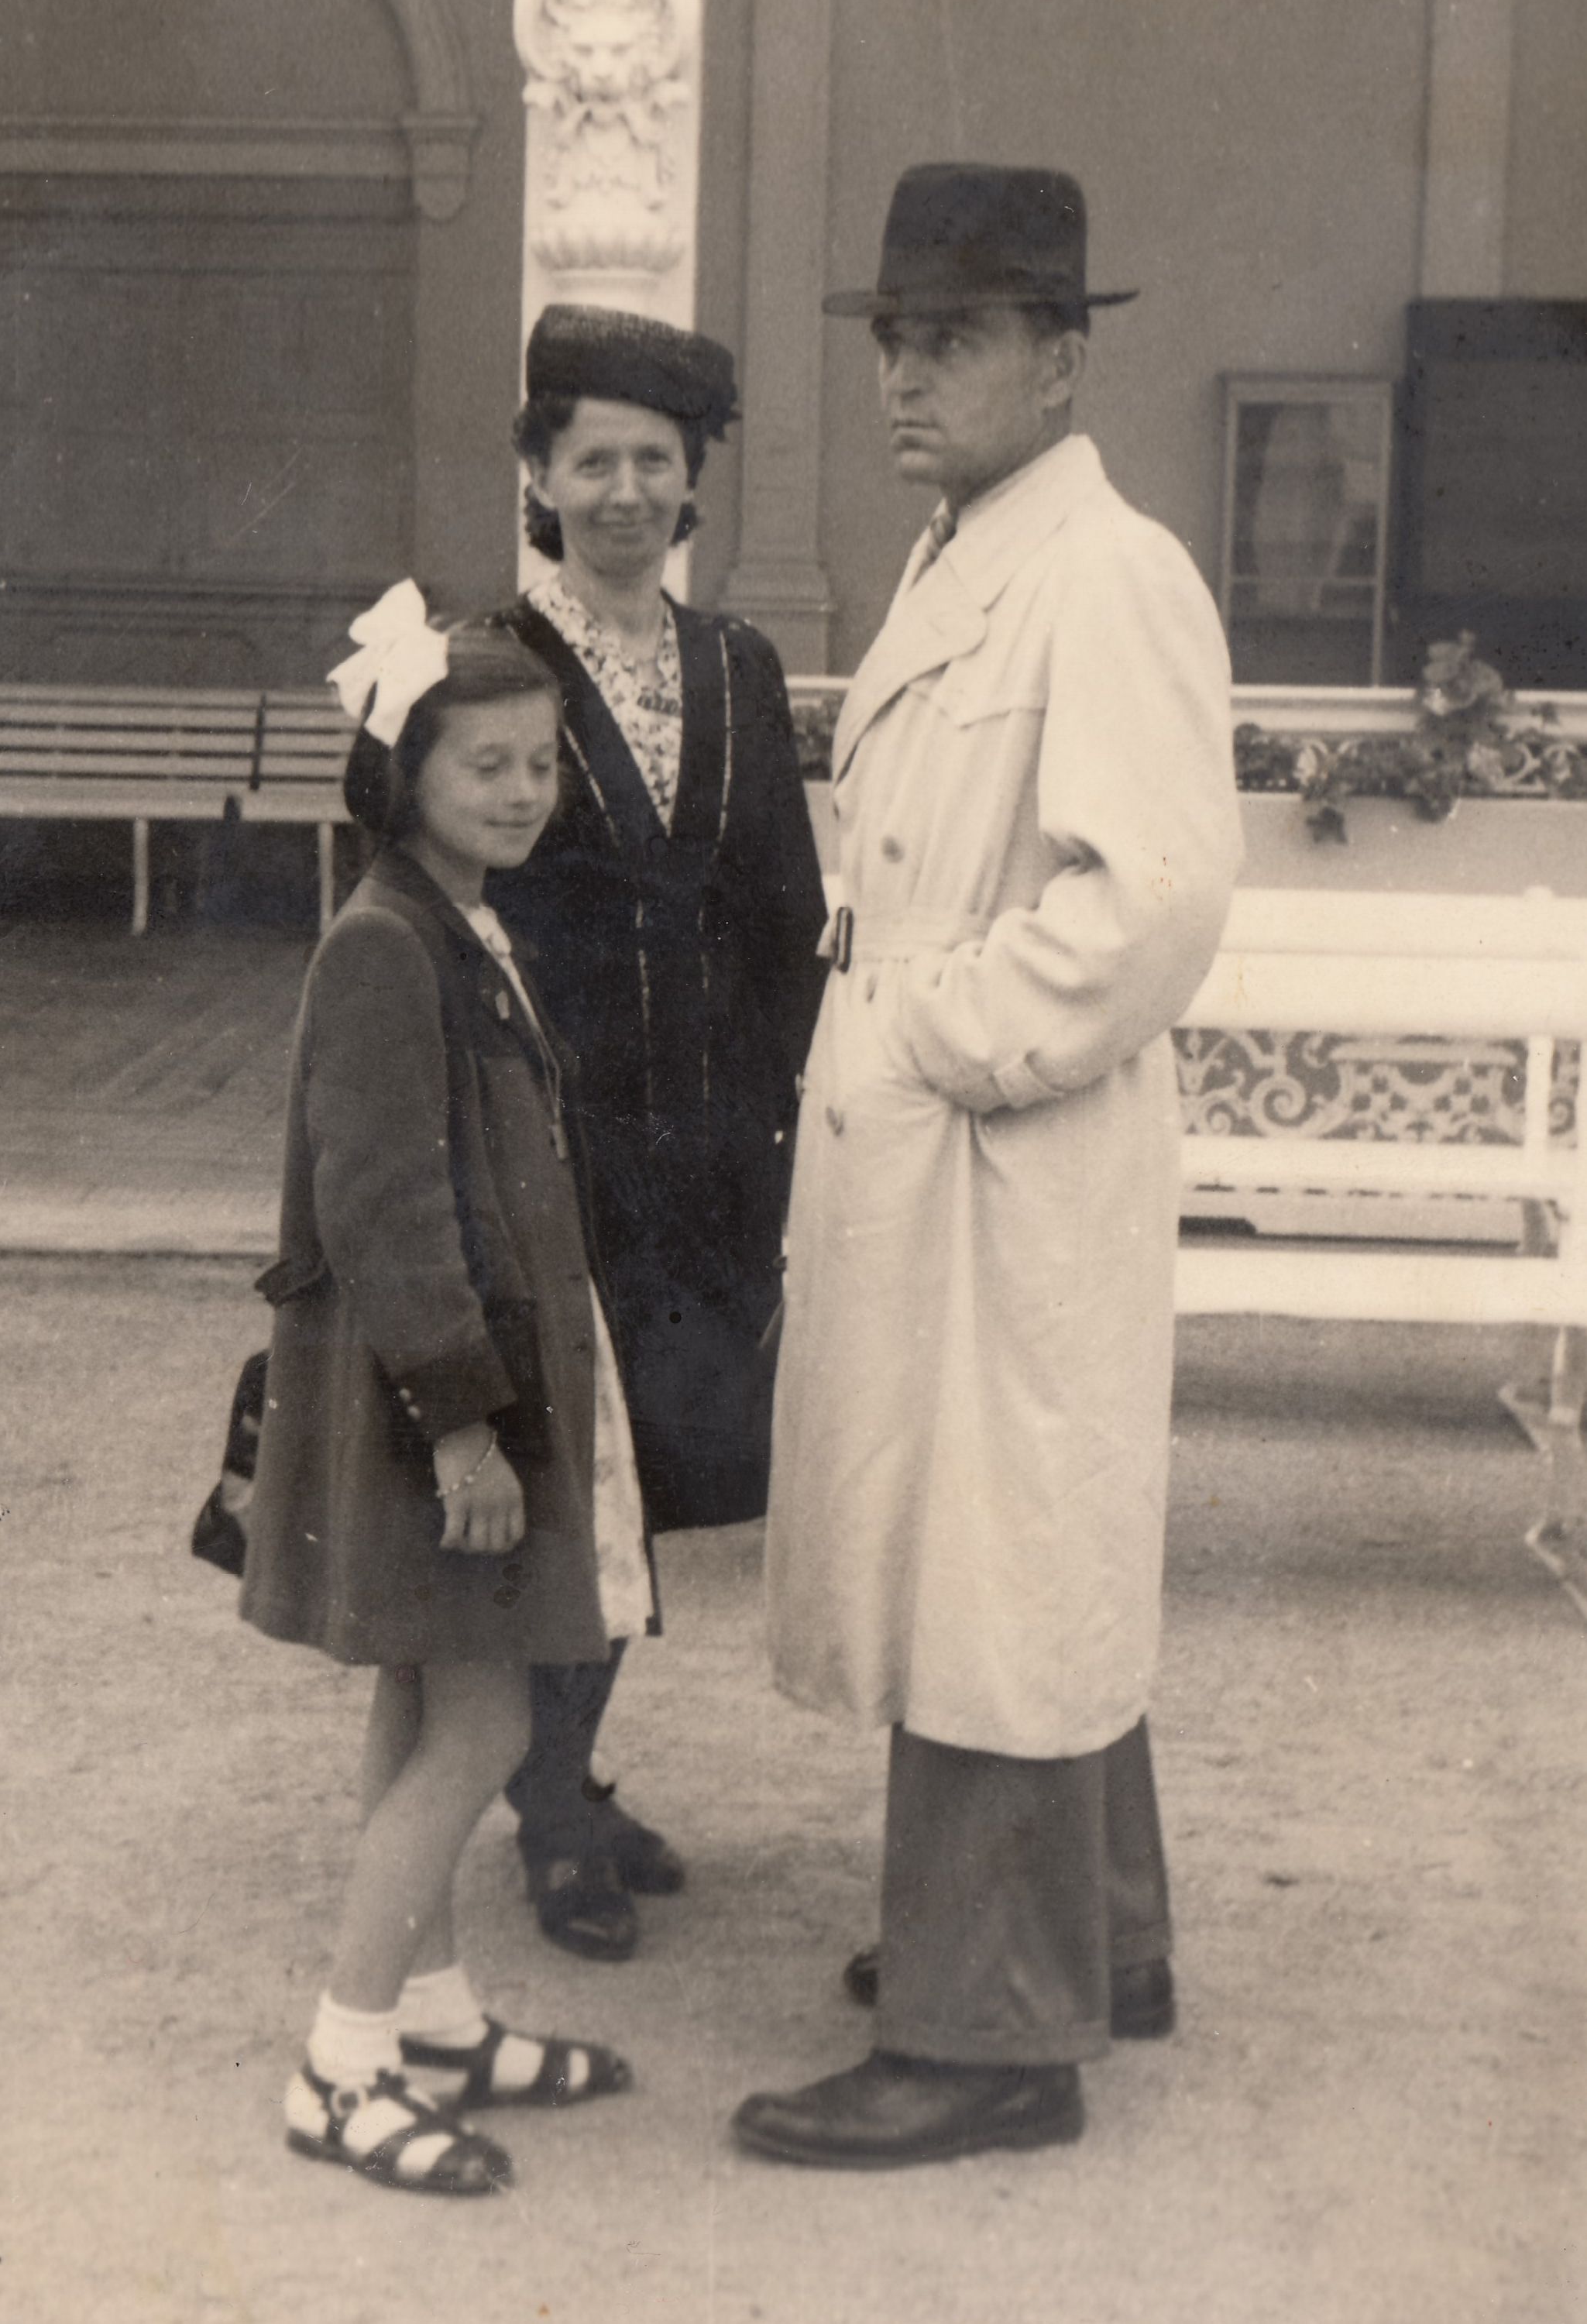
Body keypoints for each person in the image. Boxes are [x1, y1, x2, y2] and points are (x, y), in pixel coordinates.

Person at [733, 165, 1243, 2169]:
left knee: (999, 1554)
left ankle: (990, 2032)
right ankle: (1100, 1936)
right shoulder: (966, 557)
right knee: (1008, 1532)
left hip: (1006, 1135)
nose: (902, 377)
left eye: (948, 339)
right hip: (938, 1132)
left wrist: (935, 1028)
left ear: (1058, 358)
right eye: (891, 339)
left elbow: (1150, 902)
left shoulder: (1105, 573)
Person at [237, 586, 651, 2197]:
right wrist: (466, 1423)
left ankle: (431, 2017)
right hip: (437, 1411)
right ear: (400, 775)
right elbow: (384, 1204)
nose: (523, 791)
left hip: (453, 1397)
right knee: (487, 1713)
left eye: (541, 763)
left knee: (426, 1700)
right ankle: (341, 2066)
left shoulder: (458, 921)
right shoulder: (384, 942)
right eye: (485, 765)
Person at [487, 306, 828, 1961]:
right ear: (540, 477)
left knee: (653, 1475)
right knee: (562, 1479)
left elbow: (784, 912)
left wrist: (789, 1127)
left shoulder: (736, 666)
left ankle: (561, 1771)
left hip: (705, 1161)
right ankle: (549, 1808)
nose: (624, 492)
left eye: (655, 462)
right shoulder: (481, 665)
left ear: (691, 483)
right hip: (548, 1151)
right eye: (593, 461)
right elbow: (422, 890)